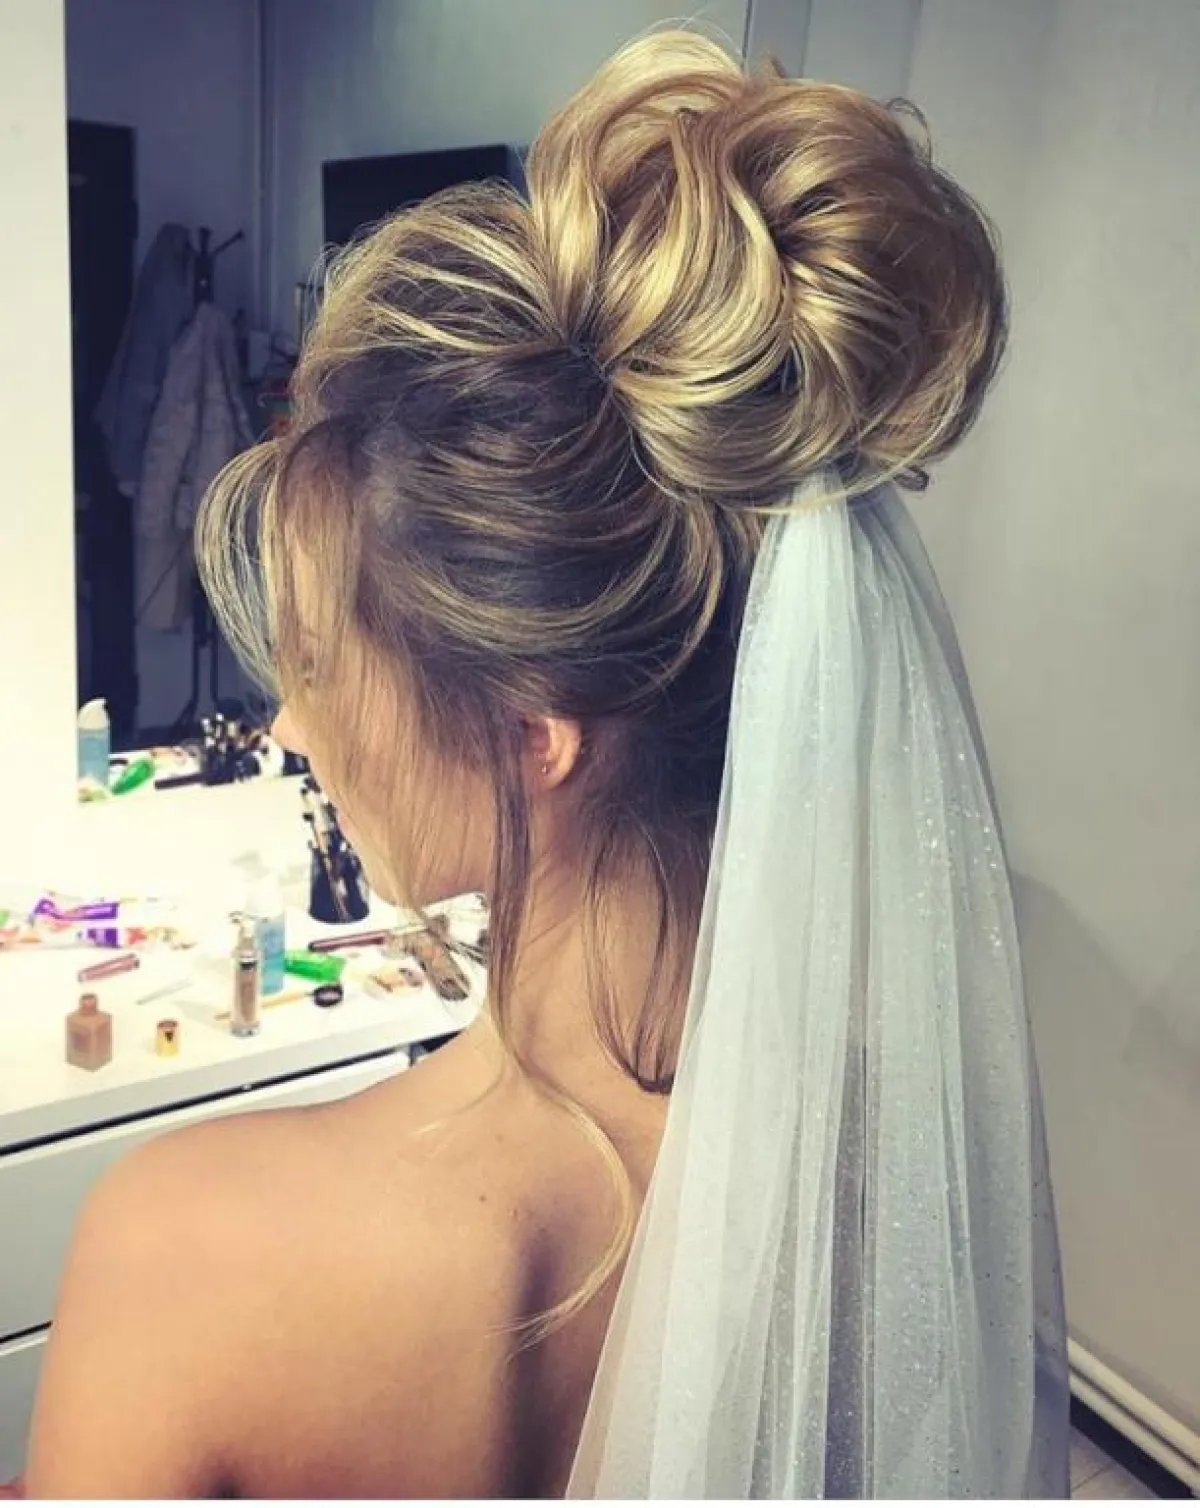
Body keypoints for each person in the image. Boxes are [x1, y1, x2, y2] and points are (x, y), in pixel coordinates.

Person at [24, 30, 1068, 1499]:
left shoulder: (184, 1252)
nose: (291, 731)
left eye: (319, 666)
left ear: (533, 739)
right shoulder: (892, 1186)